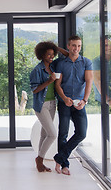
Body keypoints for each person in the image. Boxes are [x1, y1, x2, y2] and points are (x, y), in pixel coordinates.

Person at [53, 35, 93, 175]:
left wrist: (84, 101)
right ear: (68, 46)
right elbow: (57, 84)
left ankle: (59, 157)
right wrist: (64, 98)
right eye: (74, 45)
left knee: (81, 133)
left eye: (79, 46)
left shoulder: (86, 62)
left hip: (79, 103)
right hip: (64, 103)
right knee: (63, 133)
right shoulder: (61, 63)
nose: (76, 48)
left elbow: (89, 82)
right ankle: (64, 165)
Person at [30, 41, 68, 172]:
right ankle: (39, 159)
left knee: (44, 133)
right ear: (41, 55)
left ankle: (40, 161)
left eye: (53, 54)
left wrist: (55, 47)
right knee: (52, 134)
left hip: (52, 104)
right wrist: (49, 81)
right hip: (41, 105)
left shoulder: (53, 66)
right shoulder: (37, 70)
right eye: (48, 54)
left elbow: (67, 55)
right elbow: (35, 90)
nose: (51, 57)